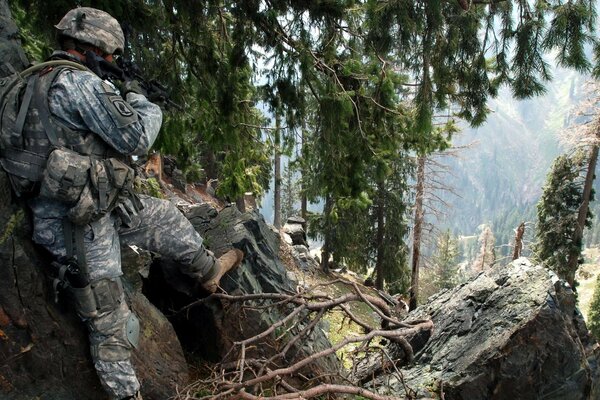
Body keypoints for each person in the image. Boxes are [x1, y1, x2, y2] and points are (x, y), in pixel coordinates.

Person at [16, 7, 243, 400]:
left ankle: (208, 272)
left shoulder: (32, 79)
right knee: (111, 321)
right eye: (111, 57)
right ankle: (127, 395)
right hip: (72, 222)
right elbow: (137, 137)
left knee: (167, 218)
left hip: (93, 202)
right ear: (94, 49)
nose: (112, 64)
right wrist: (142, 100)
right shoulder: (78, 84)